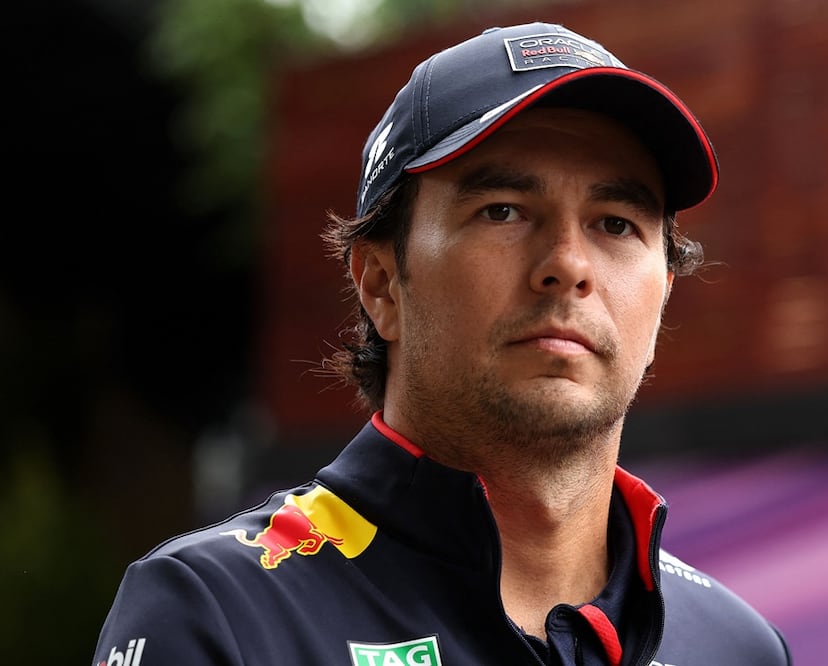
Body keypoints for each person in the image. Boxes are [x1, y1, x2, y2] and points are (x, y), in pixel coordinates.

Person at [94, 21, 792, 666]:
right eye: (503, 211)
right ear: (381, 284)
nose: (567, 264)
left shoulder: (738, 648)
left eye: (615, 223)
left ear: (663, 293)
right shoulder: (218, 613)